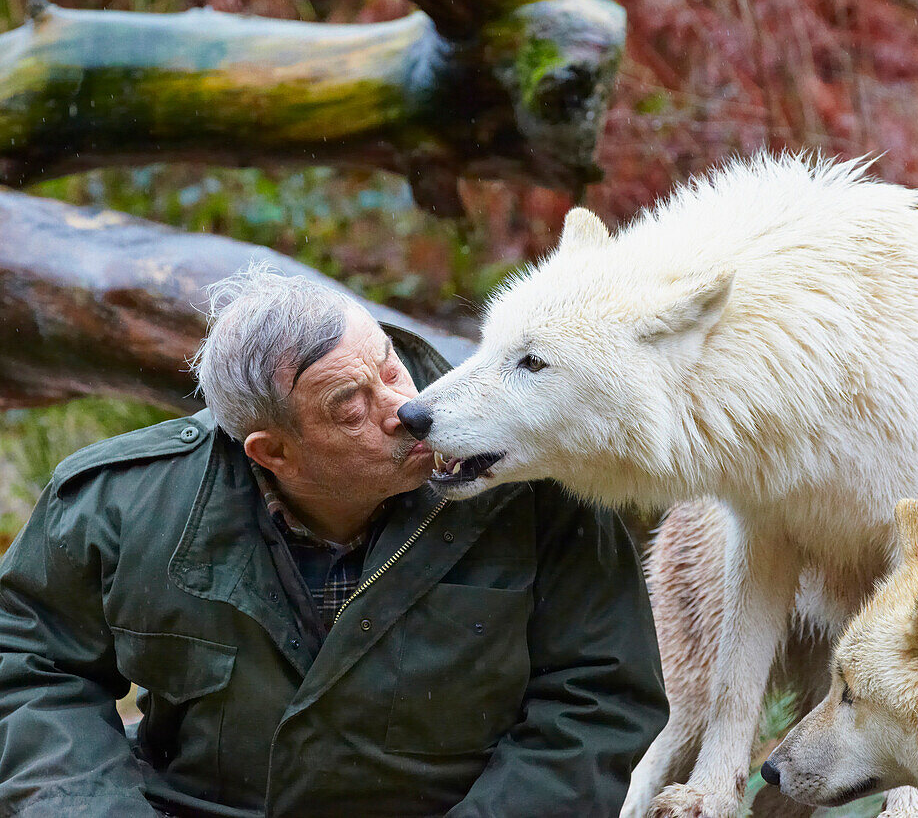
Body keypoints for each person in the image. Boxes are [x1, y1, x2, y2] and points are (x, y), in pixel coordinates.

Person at [0, 269, 667, 817]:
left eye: (391, 365)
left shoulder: (528, 477)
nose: (403, 408)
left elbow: (601, 696)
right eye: (350, 406)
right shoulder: (125, 500)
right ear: (273, 452)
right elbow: (29, 663)